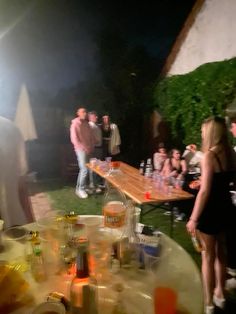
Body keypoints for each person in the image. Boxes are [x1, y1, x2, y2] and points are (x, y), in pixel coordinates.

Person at [186, 117, 236, 314]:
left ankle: (208, 303)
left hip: (210, 210)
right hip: (226, 208)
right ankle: (221, 295)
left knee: (208, 256)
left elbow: (205, 191)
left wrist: (193, 219)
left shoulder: (208, 156)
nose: (201, 134)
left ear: (211, 133)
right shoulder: (231, 153)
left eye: (203, 131)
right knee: (222, 253)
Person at [0, 116, 35, 228]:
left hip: (13, 228)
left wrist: (33, 229)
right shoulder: (10, 128)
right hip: (15, 228)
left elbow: (21, 187)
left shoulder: (9, 128)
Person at [70, 108, 95, 199]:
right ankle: (81, 189)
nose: (85, 113)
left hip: (88, 149)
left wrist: (92, 146)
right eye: (82, 112)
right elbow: (74, 139)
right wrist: (84, 148)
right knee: (84, 169)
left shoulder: (86, 124)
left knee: (87, 169)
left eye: (85, 112)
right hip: (80, 150)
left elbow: (91, 136)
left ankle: (80, 188)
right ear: (78, 113)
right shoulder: (75, 124)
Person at [88, 111, 103, 193]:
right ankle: (92, 185)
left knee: (98, 167)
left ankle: (97, 184)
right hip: (94, 149)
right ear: (90, 117)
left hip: (99, 148)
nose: (97, 117)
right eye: (95, 116)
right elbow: (88, 136)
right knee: (93, 167)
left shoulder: (96, 125)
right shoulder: (89, 125)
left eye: (96, 116)